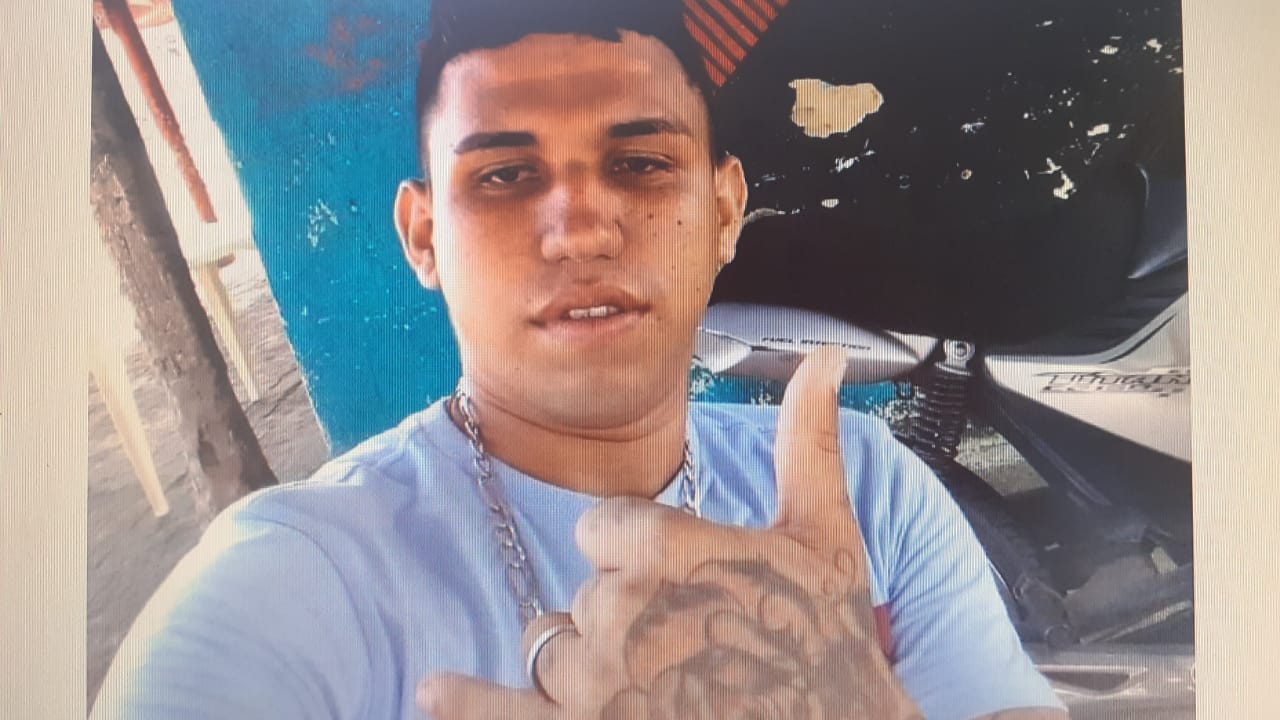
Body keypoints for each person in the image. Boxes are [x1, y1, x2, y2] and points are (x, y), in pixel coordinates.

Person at [91, 1, 1068, 718]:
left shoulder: (869, 492)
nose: (580, 229)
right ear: (423, 237)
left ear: (724, 210)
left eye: (639, 163)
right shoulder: (291, 588)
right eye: (505, 174)